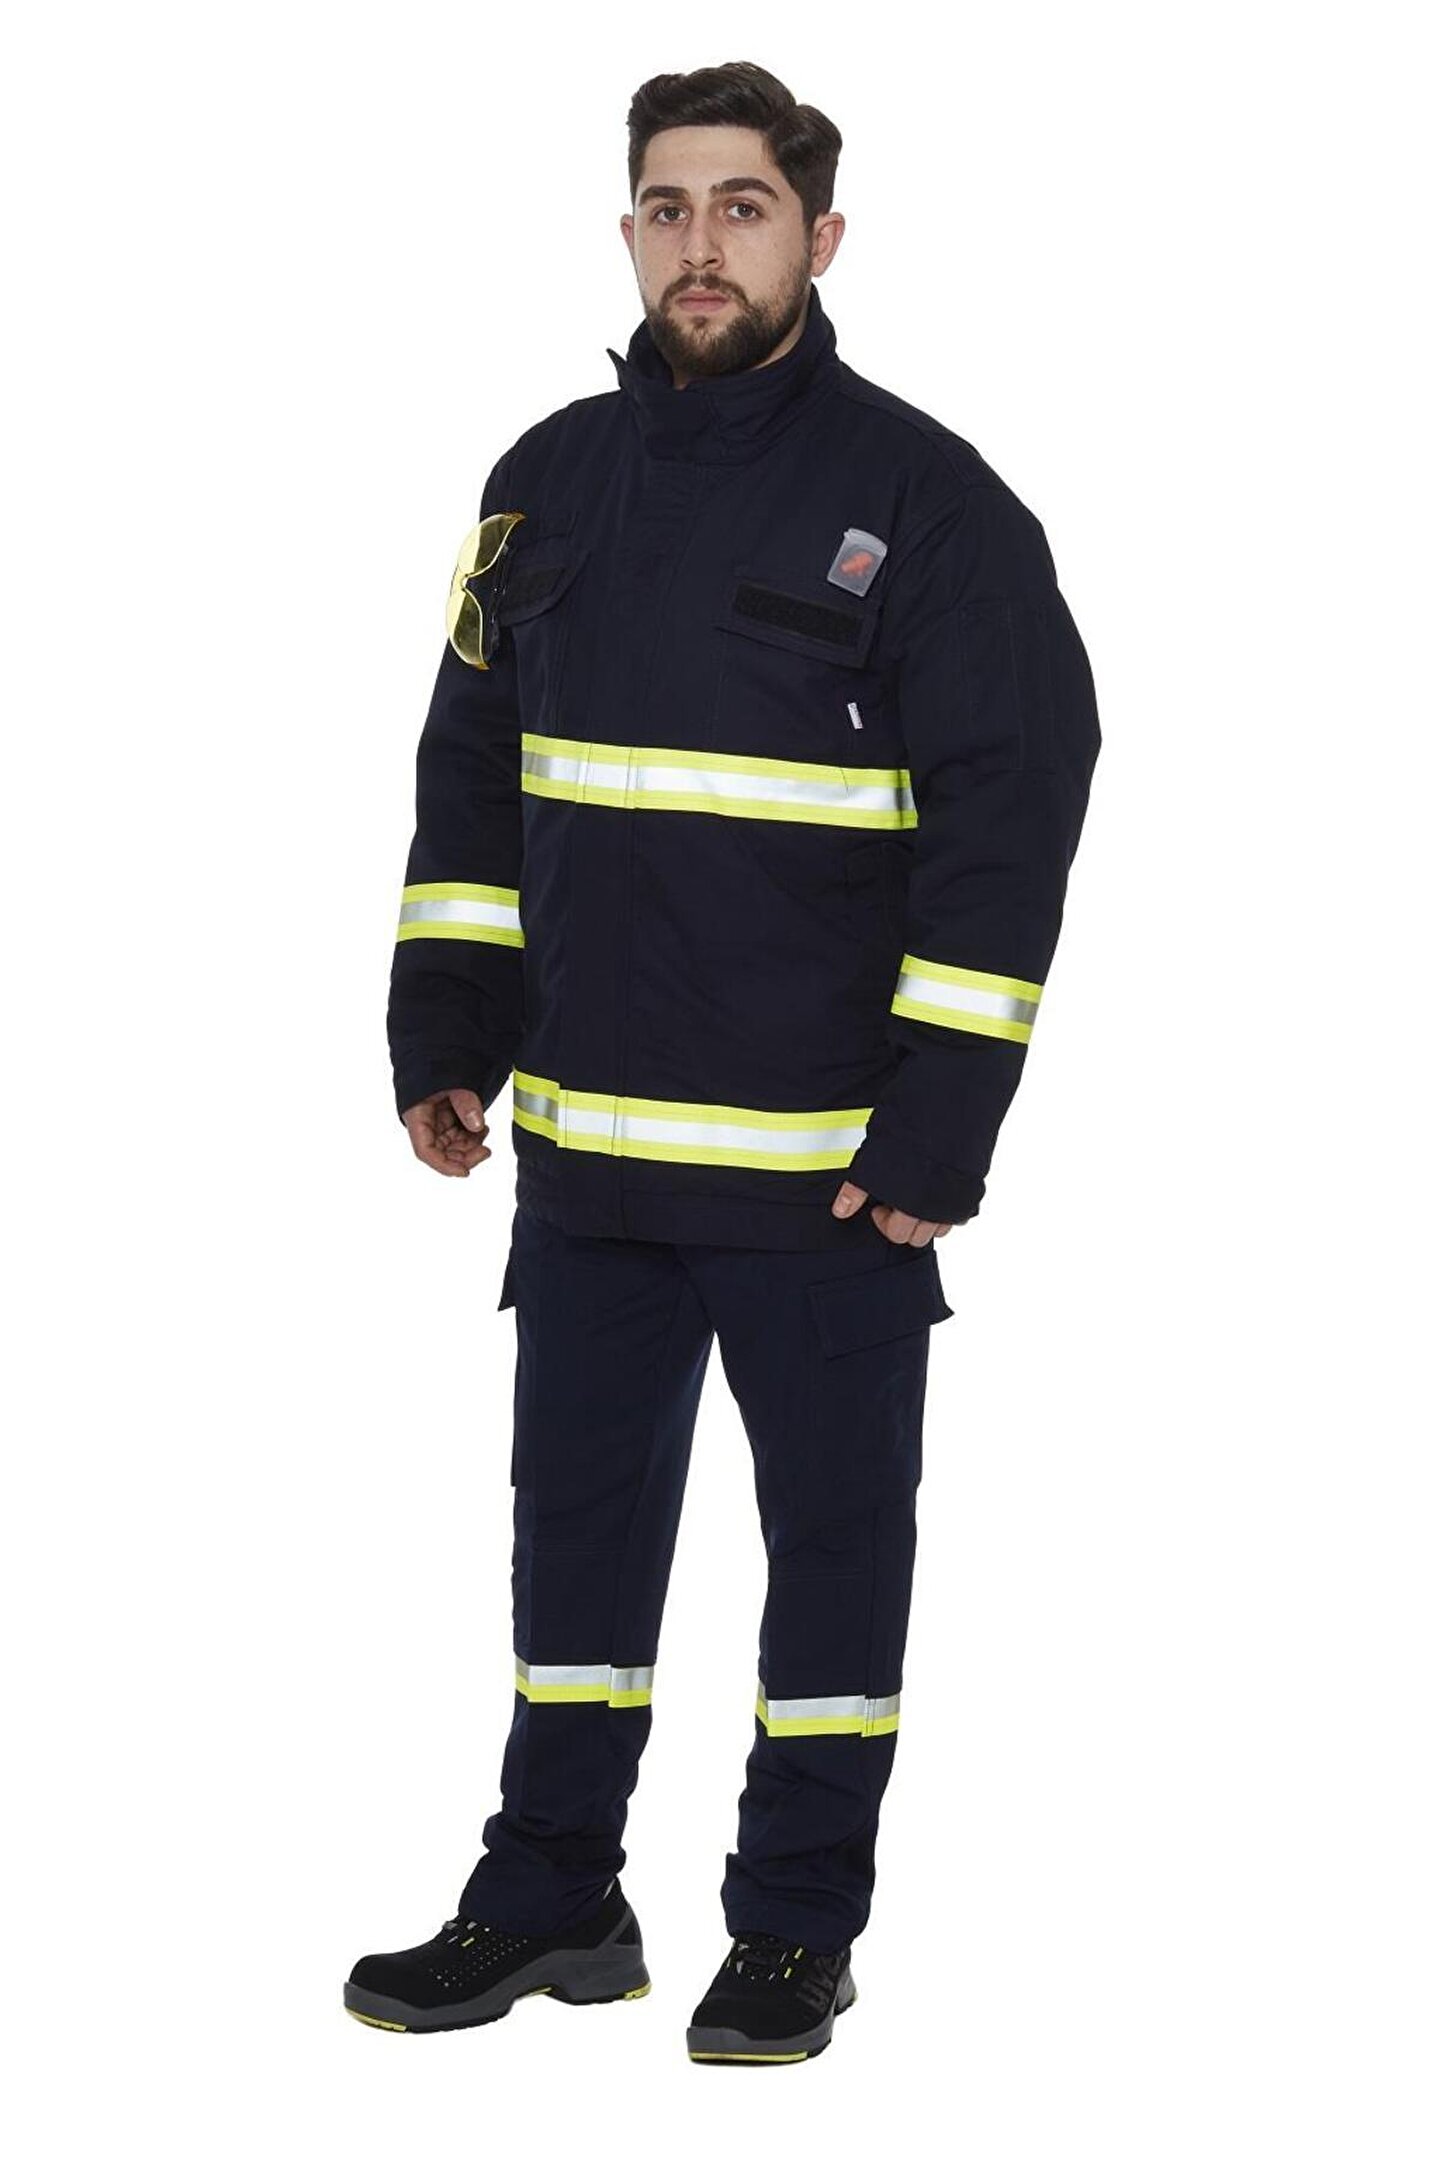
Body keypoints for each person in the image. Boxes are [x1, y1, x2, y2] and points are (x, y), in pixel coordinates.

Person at [344, 58, 1101, 2065]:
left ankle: (792, 1931)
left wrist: (938, 1132)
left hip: (828, 1181)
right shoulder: (545, 479)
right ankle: (551, 1899)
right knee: (572, 1564)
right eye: (669, 208)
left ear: (819, 238)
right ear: (629, 235)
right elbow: (473, 784)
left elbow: (1007, 830)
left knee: (831, 1574)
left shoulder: (930, 508)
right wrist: (449, 1035)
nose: (702, 244)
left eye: (742, 208)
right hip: (589, 1167)